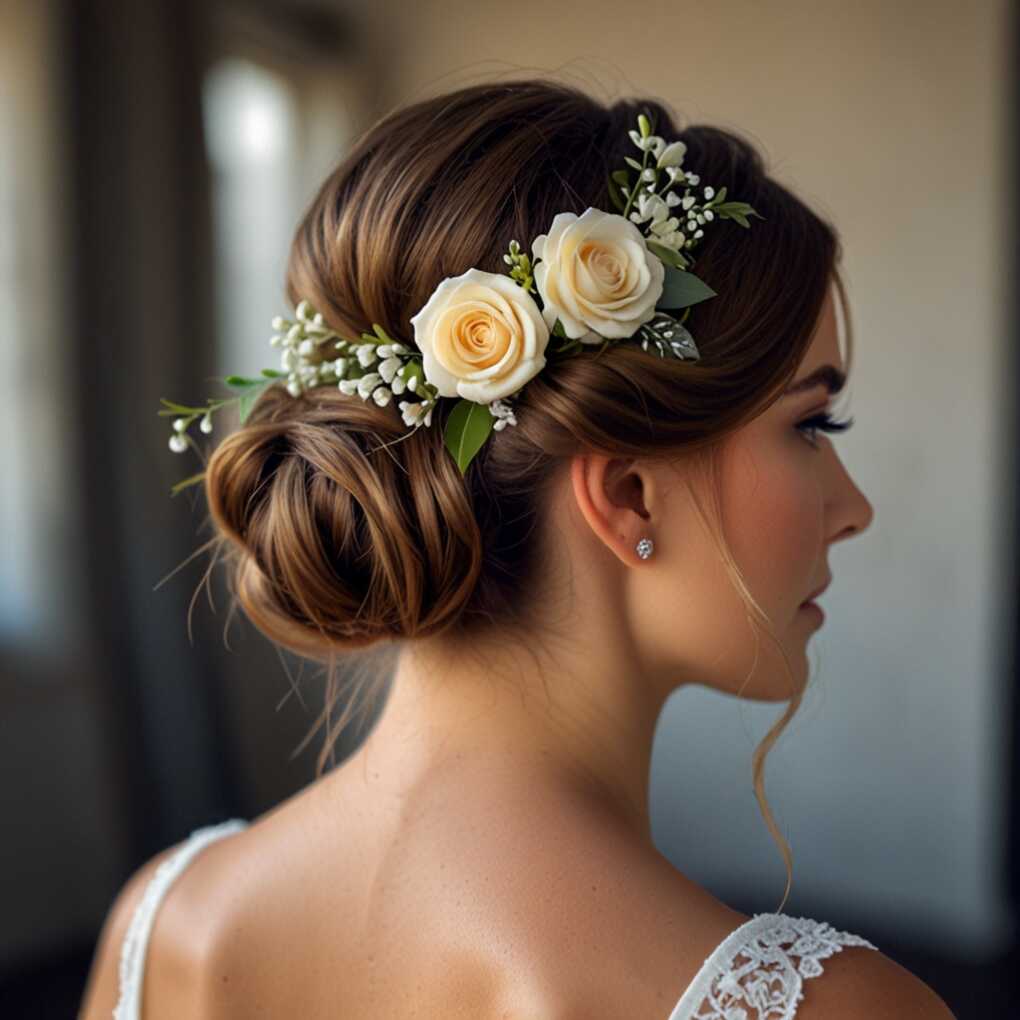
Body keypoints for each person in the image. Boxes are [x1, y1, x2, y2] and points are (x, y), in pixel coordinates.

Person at [79, 79, 956, 1019]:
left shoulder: (164, 929)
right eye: (815, 424)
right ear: (626, 493)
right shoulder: (837, 1010)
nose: (852, 507)